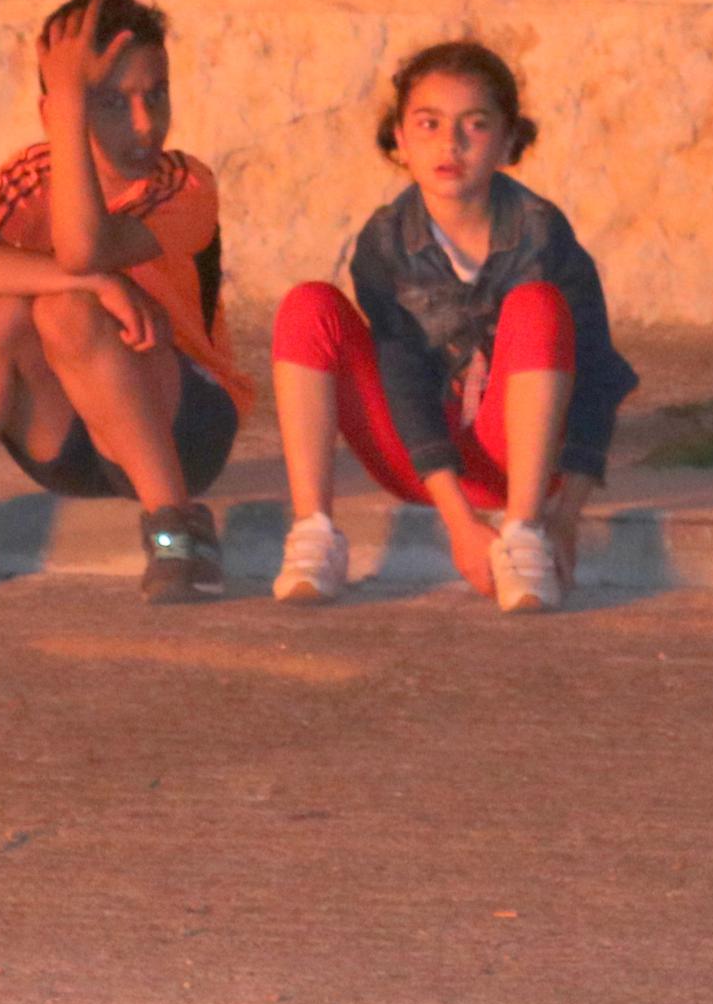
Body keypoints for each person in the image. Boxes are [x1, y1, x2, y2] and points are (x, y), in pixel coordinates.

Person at [0, 0, 247, 605]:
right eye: (113, 103)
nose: (145, 124)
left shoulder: (184, 183)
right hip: (68, 437)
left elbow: (84, 248)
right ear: (55, 112)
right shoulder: (34, 170)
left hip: (182, 431)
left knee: (65, 309)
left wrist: (84, 280)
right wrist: (91, 283)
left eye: (158, 94)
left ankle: (179, 528)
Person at [266, 39, 639, 613]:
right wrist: (459, 525)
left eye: (475, 125)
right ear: (399, 138)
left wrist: (564, 519)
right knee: (306, 306)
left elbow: (597, 373)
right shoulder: (386, 240)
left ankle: (523, 538)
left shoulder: (541, 232)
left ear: (510, 141)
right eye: (429, 123)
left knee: (537, 304)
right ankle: (313, 531)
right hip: (422, 461)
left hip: (521, 462)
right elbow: (402, 373)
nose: (451, 144)